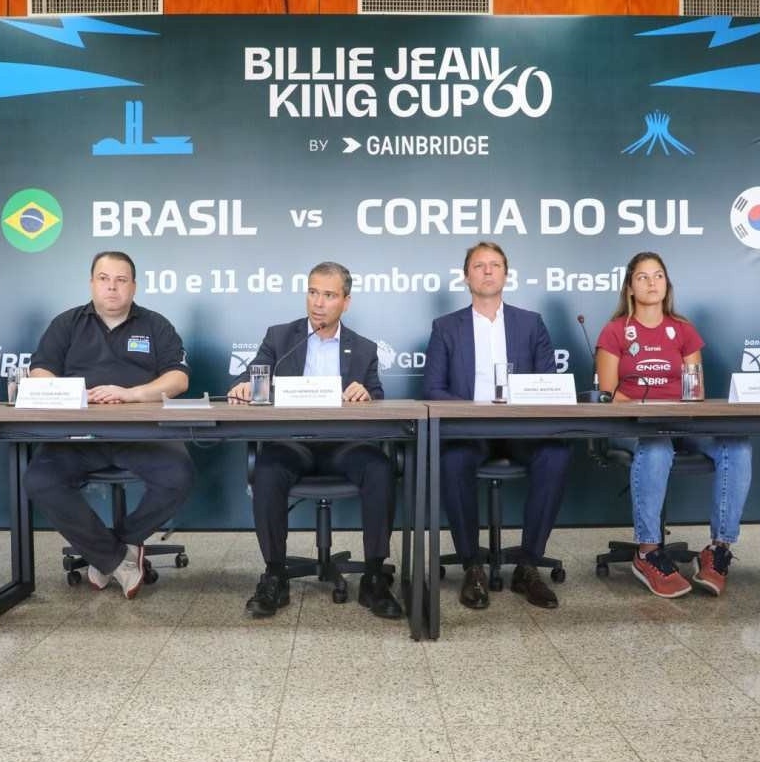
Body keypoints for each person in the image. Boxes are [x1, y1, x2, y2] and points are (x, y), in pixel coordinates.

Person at [229, 261, 402, 620]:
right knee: (268, 469)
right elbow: (256, 378)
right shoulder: (280, 338)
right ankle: (275, 574)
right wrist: (247, 385)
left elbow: (379, 400)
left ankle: (374, 576)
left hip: (346, 445)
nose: (318, 303)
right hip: (292, 443)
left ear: (346, 302)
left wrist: (366, 393)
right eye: (312, 292)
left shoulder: (365, 348)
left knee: (381, 469)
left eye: (328, 295)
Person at [23, 251, 195, 599]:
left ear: (134, 286)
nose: (112, 287)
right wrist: (74, 394)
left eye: (121, 280)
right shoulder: (67, 323)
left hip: (142, 434)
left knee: (180, 474)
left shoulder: (155, 324)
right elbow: (39, 370)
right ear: (92, 283)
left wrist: (132, 394)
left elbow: (178, 379)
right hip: (78, 435)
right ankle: (117, 559)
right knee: (40, 479)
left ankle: (116, 547)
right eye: (104, 279)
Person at [596, 250, 752, 598]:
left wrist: (679, 408)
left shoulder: (682, 330)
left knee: (737, 445)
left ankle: (719, 549)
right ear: (630, 288)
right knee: (655, 447)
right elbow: (607, 393)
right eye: (642, 277)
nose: (652, 283)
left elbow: (695, 390)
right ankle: (647, 552)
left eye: (658, 276)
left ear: (667, 284)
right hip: (634, 427)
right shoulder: (615, 331)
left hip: (685, 424)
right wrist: (645, 406)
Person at [423, 242, 571, 610]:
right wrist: (475, 409)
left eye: (495, 265)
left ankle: (528, 565)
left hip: (521, 428)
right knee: (453, 461)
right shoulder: (445, 327)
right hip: (469, 429)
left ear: (506, 274)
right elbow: (433, 390)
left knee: (555, 454)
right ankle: (472, 566)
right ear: (466, 276)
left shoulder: (530, 322)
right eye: (479, 265)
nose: (487, 271)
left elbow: (549, 382)